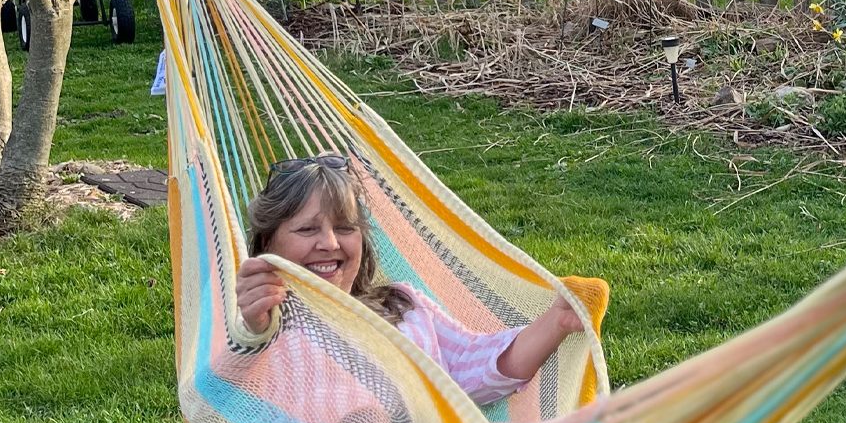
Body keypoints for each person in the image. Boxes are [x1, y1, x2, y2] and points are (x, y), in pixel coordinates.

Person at [235, 155, 585, 405]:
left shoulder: (404, 306)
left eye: (345, 228)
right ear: (269, 243)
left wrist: (556, 322)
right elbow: (234, 401)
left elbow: (473, 363)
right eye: (307, 229)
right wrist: (256, 332)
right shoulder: (263, 328)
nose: (329, 243)